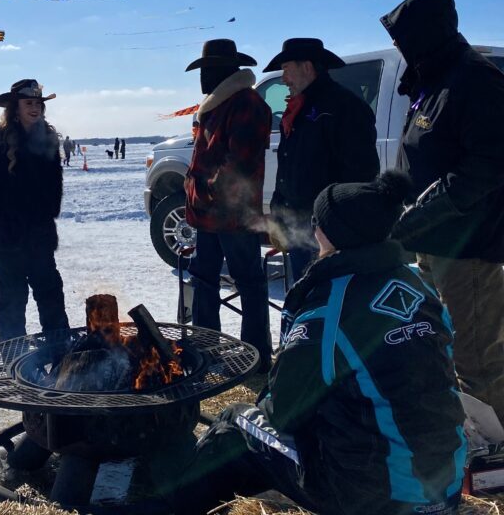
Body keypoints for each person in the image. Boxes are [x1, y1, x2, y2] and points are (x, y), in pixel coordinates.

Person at [169, 171, 466, 515]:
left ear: (332, 234)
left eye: (317, 222)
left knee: (236, 423)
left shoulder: (329, 311)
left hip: (378, 497)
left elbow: (281, 411)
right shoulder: (418, 287)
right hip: (444, 485)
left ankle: (170, 505)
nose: (312, 229)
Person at [383, 0, 504, 422]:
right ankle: (467, 437)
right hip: (435, 242)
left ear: (428, 32)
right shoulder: (433, 80)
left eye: (403, 37)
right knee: (444, 345)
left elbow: (487, 167)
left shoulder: (474, 79)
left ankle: (495, 459)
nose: (398, 46)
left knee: (478, 360)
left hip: (468, 250)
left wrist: (422, 210)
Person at [183, 40, 273, 371]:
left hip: (235, 217)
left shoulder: (246, 103)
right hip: (208, 218)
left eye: (208, 70)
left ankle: (256, 355)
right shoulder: (216, 104)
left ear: (222, 71)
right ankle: (206, 352)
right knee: (204, 281)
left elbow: (239, 164)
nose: (204, 78)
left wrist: (204, 190)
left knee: (248, 282)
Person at [264, 38, 379, 285]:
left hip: (330, 232)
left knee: (331, 299)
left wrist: (337, 225)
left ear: (306, 67)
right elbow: (287, 165)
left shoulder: (345, 107)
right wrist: (278, 212)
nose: (283, 79)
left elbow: (362, 174)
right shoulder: (298, 109)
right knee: (305, 296)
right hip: (298, 225)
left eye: (286, 70)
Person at [0, 78, 70, 342]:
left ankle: (60, 351)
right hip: (5, 233)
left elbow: (54, 181)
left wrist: (48, 210)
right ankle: (14, 355)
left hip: (38, 231)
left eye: (38, 103)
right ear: (15, 107)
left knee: (50, 290)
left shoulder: (47, 138)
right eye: (29, 103)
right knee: (13, 295)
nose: (35, 108)